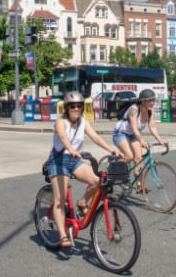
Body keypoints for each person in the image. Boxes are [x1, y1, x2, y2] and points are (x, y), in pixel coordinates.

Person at [45, 91, 121, 249]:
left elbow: (96, 138)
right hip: (58, 161)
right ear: (67, 107)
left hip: (75, 160)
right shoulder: (61, 122)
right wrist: (71, 149)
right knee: (60, 199)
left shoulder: (83, 122)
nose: (76, 108)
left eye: (80, 105)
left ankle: (82, 202)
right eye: (73, 106)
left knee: (97, 181)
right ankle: (63, 235)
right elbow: (63, 137)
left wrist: (112, 150)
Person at [112, 89, 168, 189]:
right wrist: (141, 141)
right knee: (129, 156)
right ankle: (113, 167)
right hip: (120, 133)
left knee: (139, 161)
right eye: (149, 100)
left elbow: (152, 127)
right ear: (142, 101)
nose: (152, 103)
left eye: (153, 100)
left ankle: (139, 185)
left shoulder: (151, 111)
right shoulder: (134, 110)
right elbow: (134, 128)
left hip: (133, 135)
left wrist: (160, 140)